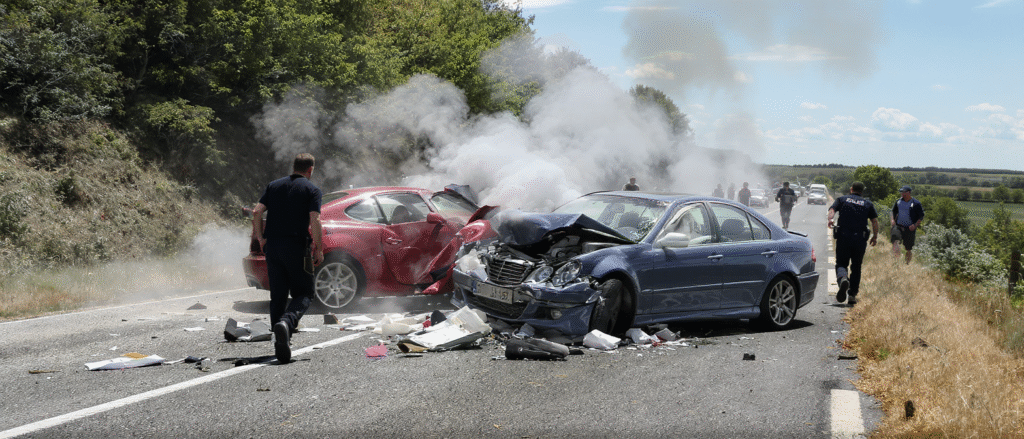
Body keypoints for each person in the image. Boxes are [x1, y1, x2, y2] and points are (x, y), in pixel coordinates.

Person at [251, 153, 324, 363]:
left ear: (293, 167)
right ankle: (287, 323)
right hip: (296, 246)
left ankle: (280, 341)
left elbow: (257, 212)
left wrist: (261, 238)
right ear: (310, 170)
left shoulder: (273, 186)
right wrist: (318, 248)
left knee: (278, 294)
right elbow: (315, 219)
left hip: (273, 247)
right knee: (305, 293)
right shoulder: (312, 190)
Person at [827, 182, 879, 306]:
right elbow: (874, 221)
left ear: (851, 189)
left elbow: (832, 209)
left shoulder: (842, 199)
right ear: (862, 191)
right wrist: (875, 236)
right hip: (859, 239)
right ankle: (852, 295)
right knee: (856, 267)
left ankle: (843, 279)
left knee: (841, 263)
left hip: (843, 237)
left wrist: (830, 219)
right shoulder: (868, 204)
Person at [891, 185, 924, 264]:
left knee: (908, 248)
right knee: (895, 241)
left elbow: (921, 216)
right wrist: (892, 220)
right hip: (898, 226)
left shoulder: (916, 203)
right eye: (901, 192)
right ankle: (896, 260)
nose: (902, 194)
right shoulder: (898, 201)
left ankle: (907, 264)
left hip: (909, 229)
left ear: (908, 193)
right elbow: (893, 211)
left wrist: (915, 225)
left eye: (903, 192)